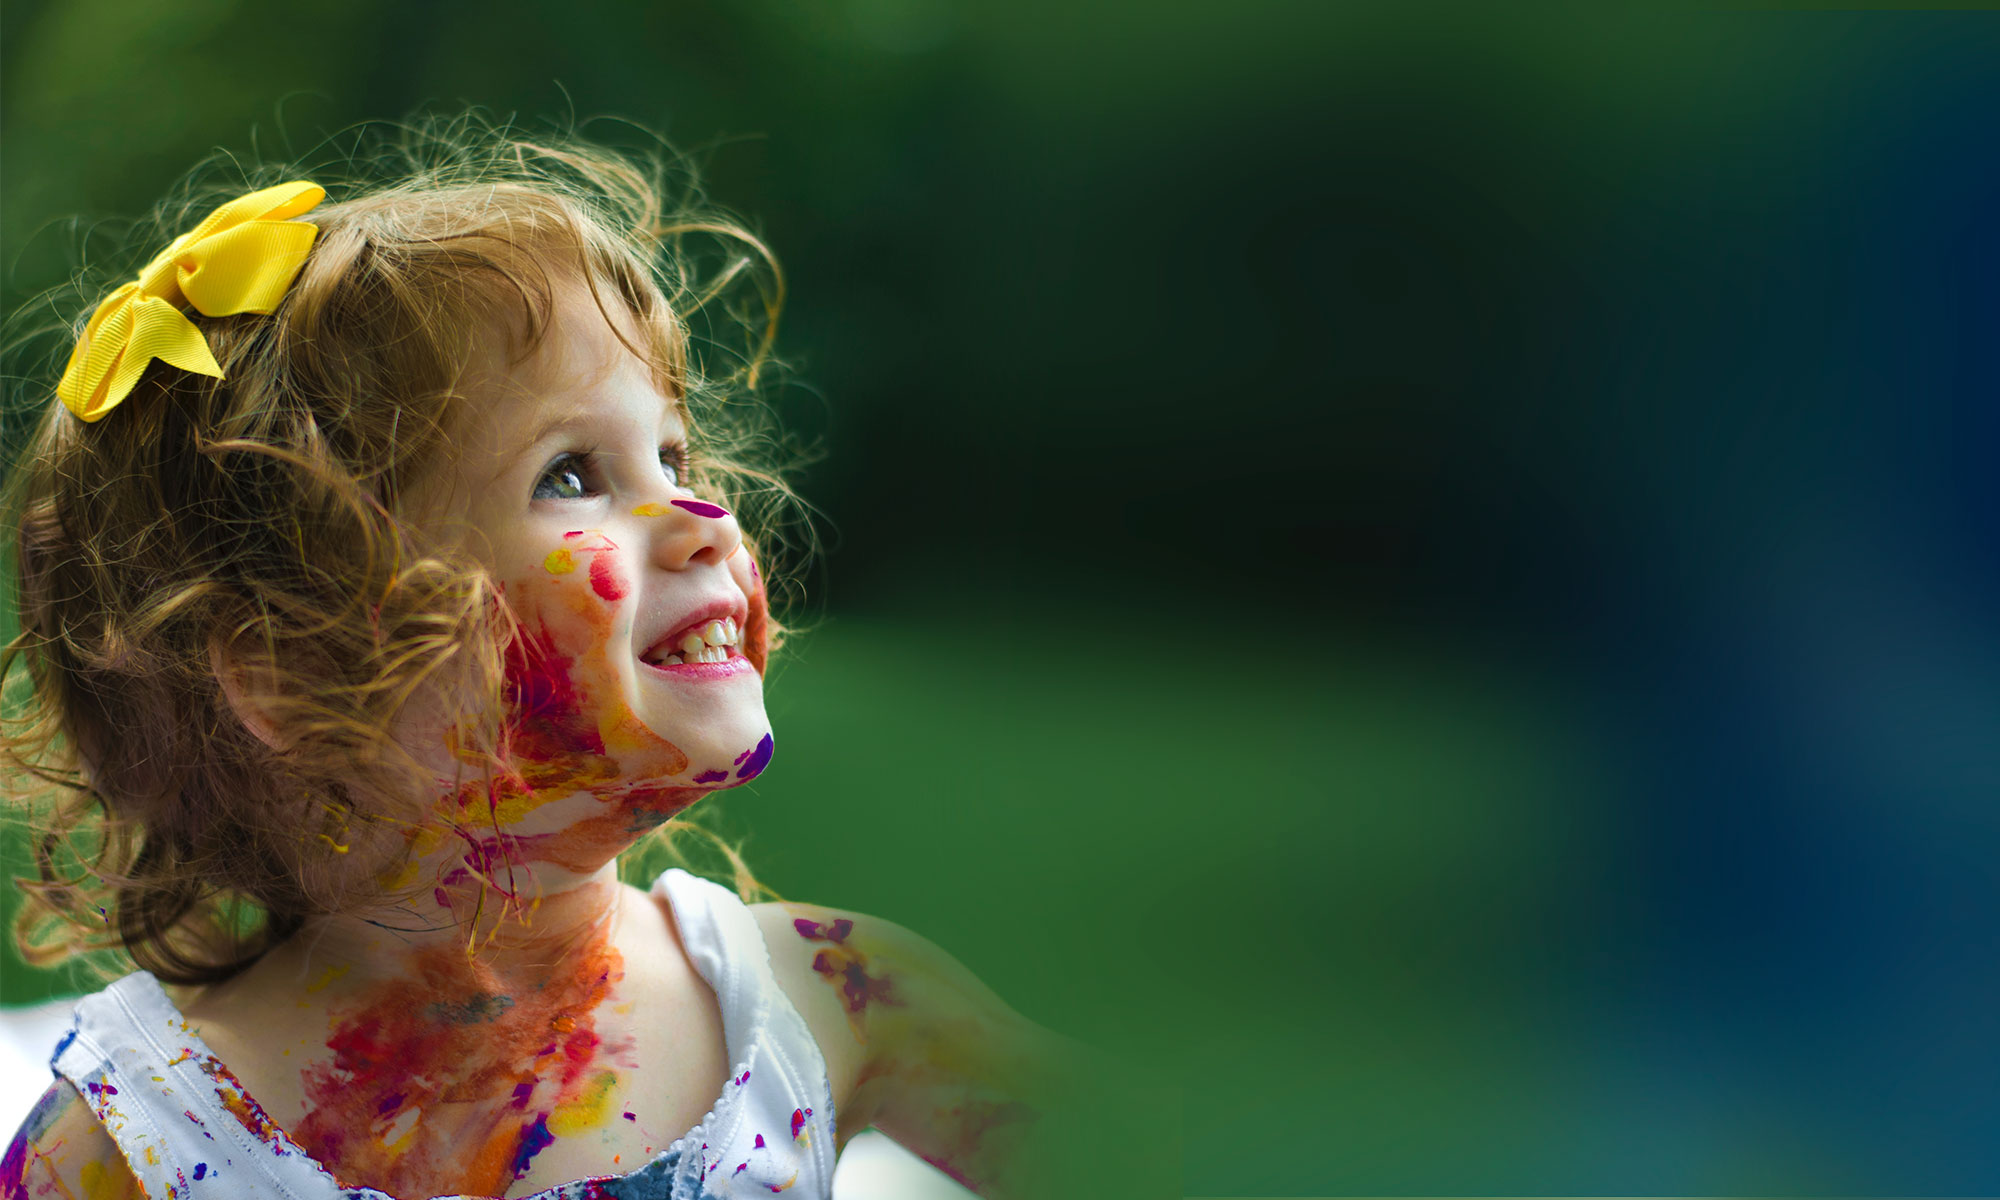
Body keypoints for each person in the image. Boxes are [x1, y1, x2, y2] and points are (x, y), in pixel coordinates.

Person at [0, 120, 1164, 1200]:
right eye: (572, 474)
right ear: (293, 676)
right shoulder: (141, 1138)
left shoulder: (817, 1001)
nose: (699, 511)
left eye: (671, 448)